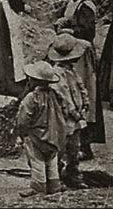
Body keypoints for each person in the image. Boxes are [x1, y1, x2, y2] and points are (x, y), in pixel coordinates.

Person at [54, 0, 105, 157]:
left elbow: (88, 31)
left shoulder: (86, 6)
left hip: (82, 54)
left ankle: (85, 145)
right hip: (70, 52)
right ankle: (71, 141)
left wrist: (69, 30)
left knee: (83, 93)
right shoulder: (70, 4)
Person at [15, 61, 68, 197]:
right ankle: (54, 185)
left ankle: (39, 187)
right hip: (54, 134)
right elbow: (65, 111)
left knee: (37, 161)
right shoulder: (55, 95)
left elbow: (23, 119)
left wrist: (22, 134)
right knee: (52, 161)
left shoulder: (31, 98)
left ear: (34, 80)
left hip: (36, 135)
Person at [46, 33, 90, 190]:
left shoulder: (71, 71)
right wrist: (75, 113)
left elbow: (80, 89)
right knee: (60, 148)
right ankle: (55, 178)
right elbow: (64, 97)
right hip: (63, 117)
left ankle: (74, 175)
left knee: (74, 148)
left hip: (75, 117)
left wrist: (85, 105)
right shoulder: (57, 74)